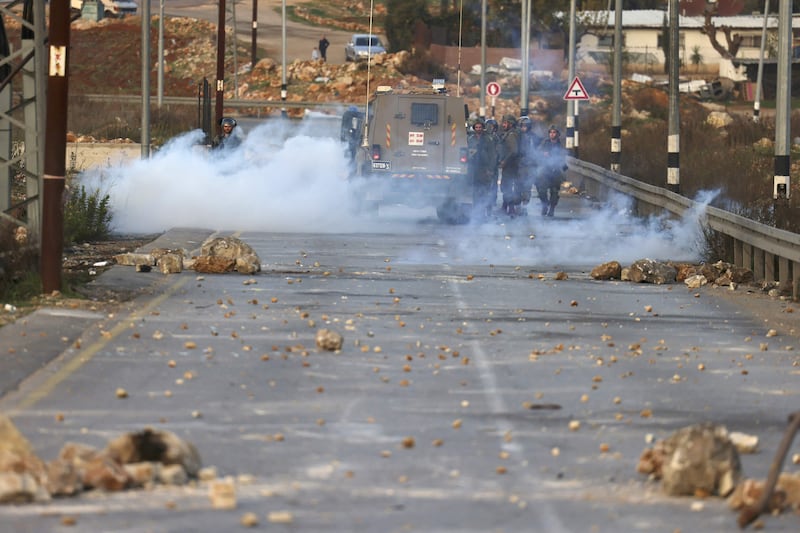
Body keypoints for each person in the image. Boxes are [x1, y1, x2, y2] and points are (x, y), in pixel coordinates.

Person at [467, 118, 497, 220]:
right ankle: (476, 212)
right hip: (474, 169)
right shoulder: (471, 139)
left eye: (480, 127)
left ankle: (486, 212)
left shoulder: (488, 139)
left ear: (483, 128)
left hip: (485, 169)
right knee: (475, 192)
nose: (478, 129)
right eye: (476, 127)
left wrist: (490, 169)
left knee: (485, 192)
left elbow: (493, 155)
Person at [536, 124, 567, 217]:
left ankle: (552, 208)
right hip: (545, 169)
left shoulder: (560, 146)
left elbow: (562, 158)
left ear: (557, 134)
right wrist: (543, 154)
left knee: (554, 191)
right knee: (541, 190)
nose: (552, 134)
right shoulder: (544, 143)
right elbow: (538, 153)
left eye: (554, 132)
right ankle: (545, 205)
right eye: (551, 132)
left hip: (556, 170)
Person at [517, 116, 541, 216]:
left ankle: (524, 206)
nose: (524, 128)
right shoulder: (518, 136)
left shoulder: (534, 137)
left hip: (530, 165)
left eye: (525, 126)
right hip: (520, 164)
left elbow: (538, 150)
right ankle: (517, 205)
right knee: (519, 186)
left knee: (527, 186)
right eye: (522, 126)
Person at [498, 114, 521, 217]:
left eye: (505, 123)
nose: (503, 125)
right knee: (507, 186)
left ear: (510, 124)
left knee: (506, 187)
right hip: (512, 165)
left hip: (511, 165)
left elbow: (513, 150)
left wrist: (504, 161)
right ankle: (505, 207)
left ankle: (510, 208)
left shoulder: (511, 135)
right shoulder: (511, 133)